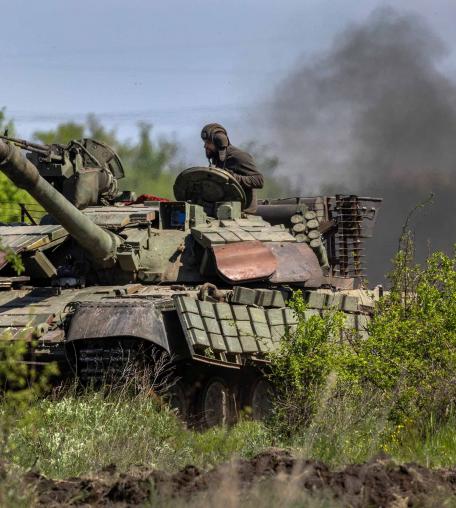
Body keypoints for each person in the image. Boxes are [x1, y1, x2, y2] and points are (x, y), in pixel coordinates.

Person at [201, 123, 264, 213]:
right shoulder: (218, 158)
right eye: (205, 143)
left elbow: (259, 180)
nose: (205, 146)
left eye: (208, 143)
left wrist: (233, 177)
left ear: (219, 142)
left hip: (243, 213)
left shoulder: (239, 156)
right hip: (224, 212)